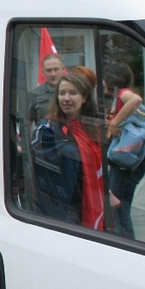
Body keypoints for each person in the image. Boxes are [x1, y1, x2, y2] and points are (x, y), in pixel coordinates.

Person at [31, 73, 108, 229]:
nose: (66, 98)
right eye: (62, 93)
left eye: (72, 93)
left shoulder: (92, 128)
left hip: (88, 198)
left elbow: (100, 164)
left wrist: (108, 191)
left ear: (84, 97)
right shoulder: (47, 128)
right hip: (61, 206)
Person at [104, 62, 145, 239]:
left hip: (125, 167)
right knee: (120, 209)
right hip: (130, 163)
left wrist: (115, 123)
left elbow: (136, 100)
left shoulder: (123, 94)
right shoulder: (117, 98)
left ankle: (127, 246)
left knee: (119, 210)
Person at [29, 53, 65, 124]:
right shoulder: (34, 94)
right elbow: (28, 122)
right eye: (49, 70)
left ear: (63, 70)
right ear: (42, 73)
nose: (53, 74)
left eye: (56, 69)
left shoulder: (73, 91)